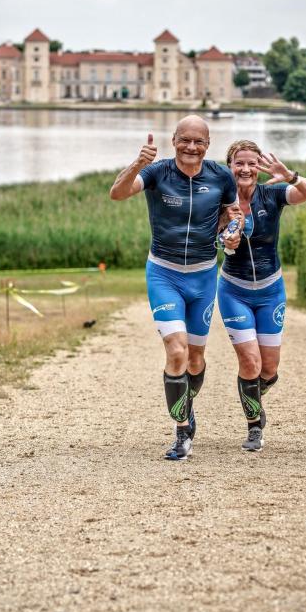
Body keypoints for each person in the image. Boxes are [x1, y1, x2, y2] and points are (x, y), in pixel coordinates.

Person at [109, 115, 239, 460]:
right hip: (164, 274)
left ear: (208, 145)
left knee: (195, 359)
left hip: (203, 276)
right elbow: (117, 193)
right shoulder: (157, 172)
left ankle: (186, 403)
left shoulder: (221, 176)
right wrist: (138, 163)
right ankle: (182, 432)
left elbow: (233, 214)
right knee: (177, 351)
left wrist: (233, 232)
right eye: (185, 140)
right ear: (174, 140)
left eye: (198, 141)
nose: (191, 147)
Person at [217, 139, 306, 452]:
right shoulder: (219, 200)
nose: (246, 169)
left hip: (270, 291)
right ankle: (253, 425)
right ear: (230, 167)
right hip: (234, 290)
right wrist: (225, 241)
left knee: (269, 370)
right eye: (239, 163)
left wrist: (290, 176)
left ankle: (250, 392)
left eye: (252, 163)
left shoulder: (272, 194)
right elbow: (214, 237)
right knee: (250, 362)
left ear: (259, 168)